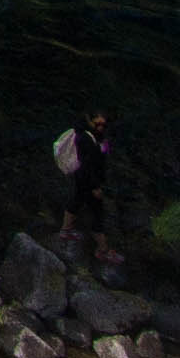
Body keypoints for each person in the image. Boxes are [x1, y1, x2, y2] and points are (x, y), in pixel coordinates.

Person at [60, 108, 119, 263]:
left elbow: (99, 160)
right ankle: (103, 250)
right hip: (88, 179)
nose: (101, 126)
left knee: (77, 201)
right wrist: (95, 187)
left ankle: (65, 230)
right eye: (98, 123)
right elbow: (88, 165)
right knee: (98, 212)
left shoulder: (95, 137)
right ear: (90, 121)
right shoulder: (85, 138)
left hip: (84, 179)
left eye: (103, 124)